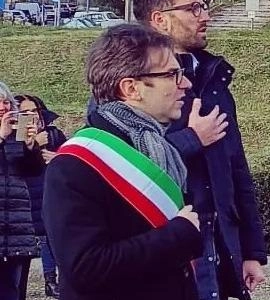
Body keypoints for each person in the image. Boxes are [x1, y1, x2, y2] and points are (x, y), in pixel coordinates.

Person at [130, 0, 267, 300]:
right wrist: (191, 139)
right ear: (160, 20)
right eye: (193, 8)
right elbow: (123, 166)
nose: (205, 16)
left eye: (203, 6)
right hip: (167, 247)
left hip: (218, 243)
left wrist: (251, 250)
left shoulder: (214, 78)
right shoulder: (130, 85)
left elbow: (237, 168)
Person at [43, 24, 202, 300]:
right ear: (131, 88)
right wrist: (179, 234)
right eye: (172, 74)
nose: (186, 83)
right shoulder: (75, 165)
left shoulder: (162, 150)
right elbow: (85, 268)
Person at [13, 95, 66, 297]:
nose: (31, 116)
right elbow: (16, 163)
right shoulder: (15, 137)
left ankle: (58, 280)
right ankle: (50, 279)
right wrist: (32, 145)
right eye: (24, 113)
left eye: (33, 111)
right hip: (30, 195)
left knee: (56, 237)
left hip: (52, 190)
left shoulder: (53, 134)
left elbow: (70, 156)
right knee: (43, 238)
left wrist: (58, 158)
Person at [0, 82, 40, 300]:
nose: (4, 106)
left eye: (7, 101)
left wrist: (30, 146)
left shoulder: (17, 134)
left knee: (14, 293)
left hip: (17, 230)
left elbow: (33, 172)